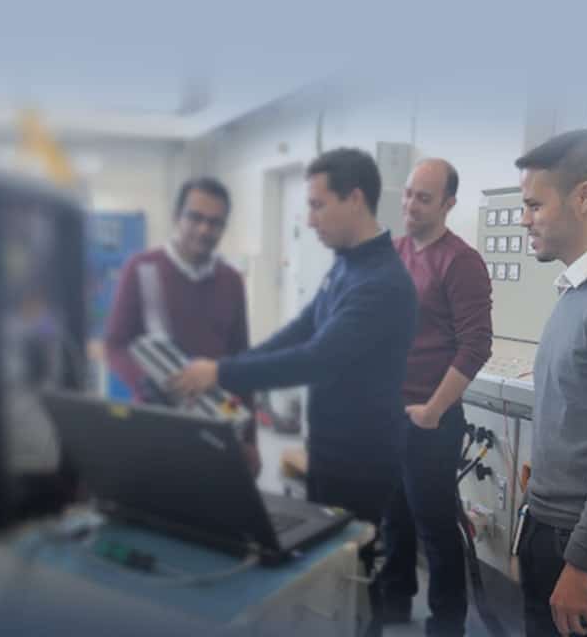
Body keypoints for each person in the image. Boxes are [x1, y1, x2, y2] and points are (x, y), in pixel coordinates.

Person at [170, 148, 417, 635]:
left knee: (352, 578)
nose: (310, 219)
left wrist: (219, 373)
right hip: (330, 449)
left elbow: (316, 358)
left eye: (318, 205)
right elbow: (301, 331)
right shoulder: (348, 266)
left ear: (355, 199)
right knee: (328, 574)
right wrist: (231, 369)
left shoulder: (382, 283)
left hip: (362, 460)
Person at [514, 130, 587, 637]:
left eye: (534, 205)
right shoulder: (578, 291)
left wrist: (583, 563)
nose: (524, 219)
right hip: (550, 527)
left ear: (583, 197)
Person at [377, 159, 493, 636]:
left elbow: (476, 345)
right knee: (392, 520)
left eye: (423, 198)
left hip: (431, 421)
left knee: (436, 528)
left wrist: (433, 410)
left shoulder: (461, 262)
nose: (410, 204)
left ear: (449, 204)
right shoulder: (394, 252)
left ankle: (447, 625)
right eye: (408, 194)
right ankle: (393, 604)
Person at [103, 177, 257, 473]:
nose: (204, 229)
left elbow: (242, 361)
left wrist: (249, 441)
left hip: (218, 427)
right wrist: (146, 381)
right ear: (177, 217)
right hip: (157, 426)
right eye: (195, 217)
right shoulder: (142, 269)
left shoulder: (231, 280)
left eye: (215, 222)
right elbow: (115, 344)